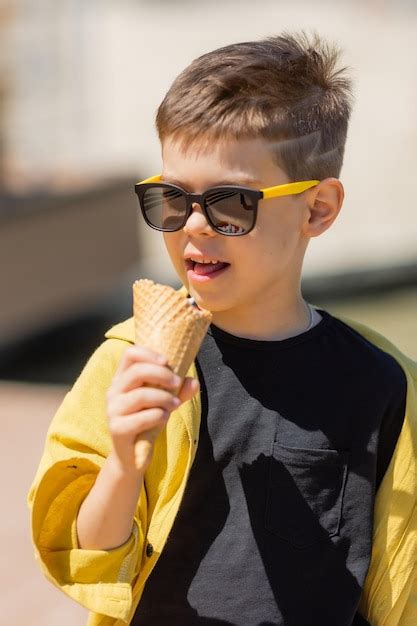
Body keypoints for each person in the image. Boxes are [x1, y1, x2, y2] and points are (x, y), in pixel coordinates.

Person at [27, 32, 417, 626]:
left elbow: (399, 578)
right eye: (171, 200)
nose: (194, 226)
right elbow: (85, 556)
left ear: (317, 209)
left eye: (232, 203)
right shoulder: (129, 360)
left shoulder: (386, 381)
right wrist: (126, 462)